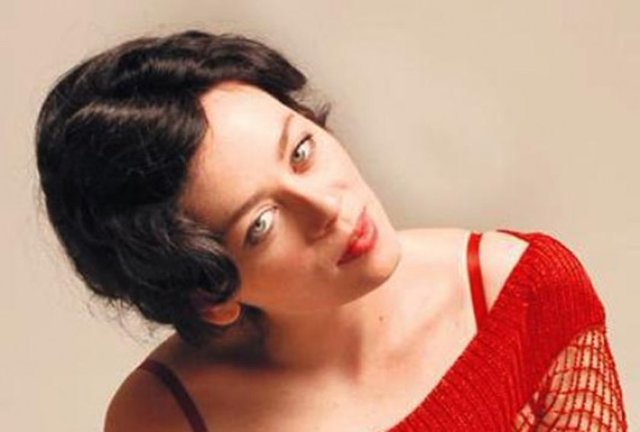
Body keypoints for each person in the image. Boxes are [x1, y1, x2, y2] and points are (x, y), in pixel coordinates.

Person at [35, 30, 628, 431]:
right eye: (262, 224)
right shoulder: (167, 414)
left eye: (301, 151)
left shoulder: (520, 293)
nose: (328, 207)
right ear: (208, 295)